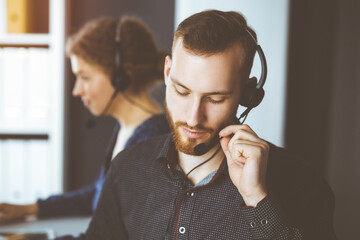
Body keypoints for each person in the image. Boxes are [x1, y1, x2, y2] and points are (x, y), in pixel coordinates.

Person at [84, 10, 337, 239]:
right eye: (182, 92)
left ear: (248, 94)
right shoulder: (128, 168)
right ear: (167, 71)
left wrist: (257, 199)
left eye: (216, 99)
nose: (193, 117)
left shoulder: (303, 184)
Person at [0, 16, 170, 224]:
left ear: (120, 77)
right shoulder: (130, 128)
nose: (76, 90)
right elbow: (100, 195)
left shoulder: (149, 142)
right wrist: (29, 209)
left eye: (85, 77)